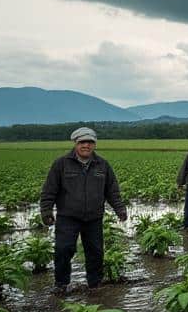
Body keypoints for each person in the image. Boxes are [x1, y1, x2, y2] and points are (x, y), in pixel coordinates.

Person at [39, 126, 127, 294]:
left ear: (94, 145)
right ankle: (61, 284)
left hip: (94, 217)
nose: (86, 145)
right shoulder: (61, 164)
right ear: (75, 143)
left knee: (95, 252)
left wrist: (120, 209)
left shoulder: (102, 165)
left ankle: (95, 285)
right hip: (68, 216)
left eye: (90, 142)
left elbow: (112, 191)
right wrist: (46, 211)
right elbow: (49, 190)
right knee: (63, 249)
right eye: (82, 142)